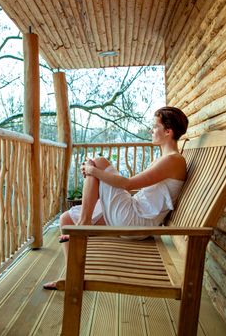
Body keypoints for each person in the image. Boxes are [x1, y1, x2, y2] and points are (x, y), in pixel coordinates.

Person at [43, 106, 189, 290]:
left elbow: (128, 184)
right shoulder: (166, 158)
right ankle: (73, 277)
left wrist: (93, 171)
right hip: (135, 214)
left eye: (155, 126)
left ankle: (84, 223)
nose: (151, 130)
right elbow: (133, 187)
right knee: (66, 219)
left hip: (137, 221)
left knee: (99, 162)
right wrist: (93, 173)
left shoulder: (172, 160)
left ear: (168, 131)